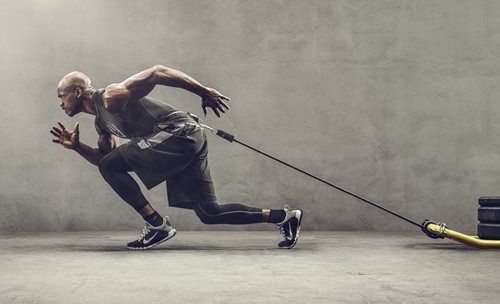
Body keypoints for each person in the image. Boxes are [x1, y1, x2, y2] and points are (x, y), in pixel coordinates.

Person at [50, 65, 303, 250]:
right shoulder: (101, 124)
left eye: (61, 96)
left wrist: (203, 91)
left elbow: (158, 72)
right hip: (181, 143)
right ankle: (284, 217)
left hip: (179, 133)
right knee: (209, 213)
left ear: (77, 91)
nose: (60, 103)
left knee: (112, 164)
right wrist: (76, 147)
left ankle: (157, 225)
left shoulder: (111, 97)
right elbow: (106, 161)